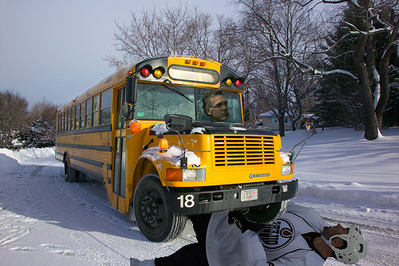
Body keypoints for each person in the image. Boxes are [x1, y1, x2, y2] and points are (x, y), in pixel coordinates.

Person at [131, 202, 367, 266]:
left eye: (343, 230)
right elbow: (280, 203)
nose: (339, 224)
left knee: (177, 262)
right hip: (222, 220)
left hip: (222, 257)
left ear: (338, 242)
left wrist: (247, 231)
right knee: (186, 202)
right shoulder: (313, 218)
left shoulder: (306, 262)